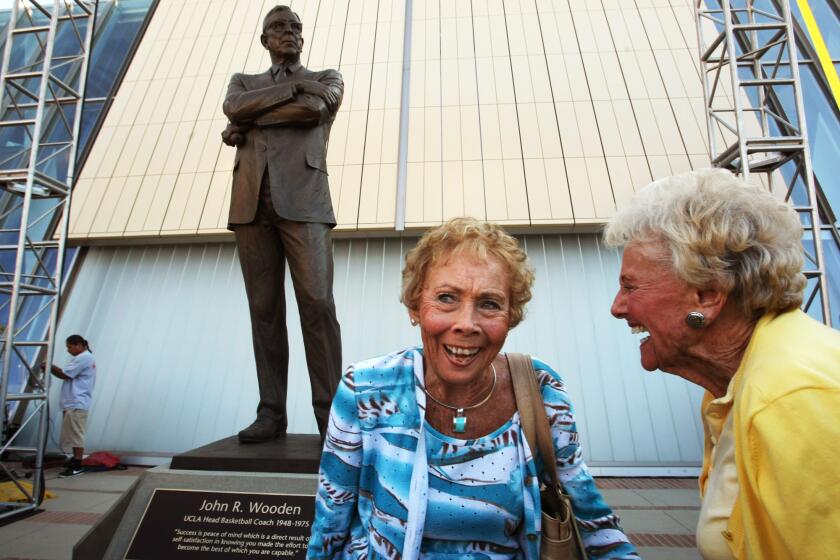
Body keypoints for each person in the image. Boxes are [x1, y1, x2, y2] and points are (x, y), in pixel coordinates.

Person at [308, 218, 638, 559]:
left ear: (511, 315)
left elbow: (593, 523)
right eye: (447, 298)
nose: (466, 324)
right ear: (415, 306)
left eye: (490, 303)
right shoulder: (366, 389)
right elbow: (330, 526)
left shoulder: (541, 388)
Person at [604, 168, 840, 559]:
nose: (618, 307)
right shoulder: (734, 388)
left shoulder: (792, 398)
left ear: (708, 296)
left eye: (630, 286)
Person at [221, 5, 343, 442]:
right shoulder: (243, 82)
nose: (288, 33)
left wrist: (245, 121)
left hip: (306, 202)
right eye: (278, 28)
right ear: (265, 40)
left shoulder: (327, 77)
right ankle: (271, 413)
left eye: (295, 28)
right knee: (264, 313)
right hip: (251, 204)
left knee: (317, 304)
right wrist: (283, 96)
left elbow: (314, 110)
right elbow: (232, 105)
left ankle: (332, 418)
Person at [48, 334, 96, 477]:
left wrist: (49, 366)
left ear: (78, 345)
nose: (68, 350)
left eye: (69, 346)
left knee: (76, 435)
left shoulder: (84, 358)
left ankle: (77, 464)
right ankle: (75, 460)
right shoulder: (85, 358)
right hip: (74, 402)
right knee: (73, 434)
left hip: (77, 402)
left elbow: (65, 374)